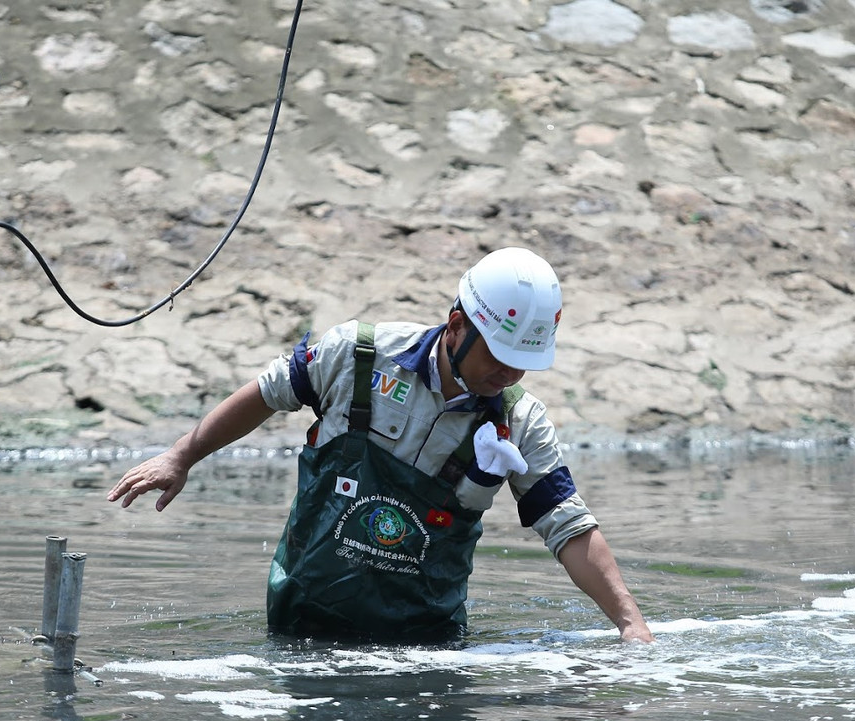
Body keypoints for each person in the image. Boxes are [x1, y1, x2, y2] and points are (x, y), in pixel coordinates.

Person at [107, 247, 654, 644]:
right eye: (498, 355)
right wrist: (182, 456)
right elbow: (269, 392)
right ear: (457, 325)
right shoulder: (357, 355)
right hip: (304, 624)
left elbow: (569, 526)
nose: (510, 373)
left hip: (425, 643)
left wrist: (631, 623)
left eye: (524, 362)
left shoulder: (521, 421)